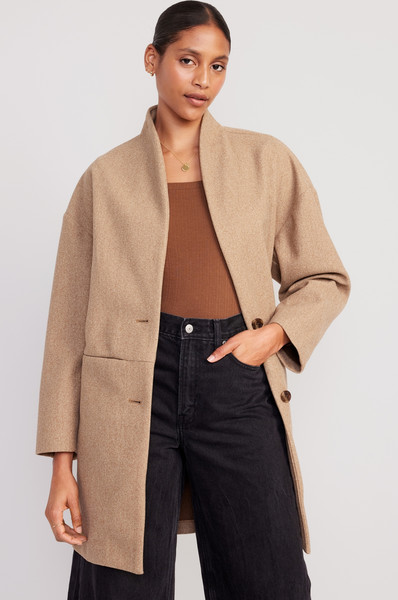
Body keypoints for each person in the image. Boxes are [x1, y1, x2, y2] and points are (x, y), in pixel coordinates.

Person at [36, 2, 351, 598]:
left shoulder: (265, 161)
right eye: (187, 60)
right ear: (152, 59)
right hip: (129, 393)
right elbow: (67, 328)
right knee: (121, 581)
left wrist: (270, 337)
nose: (203, 79)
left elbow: (322, 277)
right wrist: (61, 466)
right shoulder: (105, 179)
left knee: (268, 578)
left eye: (218, 65)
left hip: (236, 384)